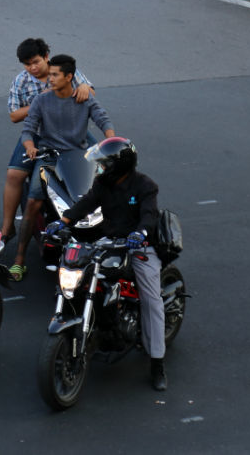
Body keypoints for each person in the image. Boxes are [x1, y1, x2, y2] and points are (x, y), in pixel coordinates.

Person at [56, 136, 167, 391]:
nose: (101, 168)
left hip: (140, 246)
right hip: (109, 241)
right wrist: (64, 221)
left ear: (119, 165)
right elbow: (85, 204)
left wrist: (140, 235)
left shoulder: (145, 185)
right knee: (81, 272)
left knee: (152, 300)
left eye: (104, 164)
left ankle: (157, 364)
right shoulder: (102, 183)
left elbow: (149, 216)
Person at [10, 54, 114, 281]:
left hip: (80, 157)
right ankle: (19, 259)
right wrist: (29, 146)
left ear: (69, 77)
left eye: (55, 75)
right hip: (49, 158)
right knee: (33, 200)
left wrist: (110, 142)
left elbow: (103, 120)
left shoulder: (84, 99)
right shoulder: (41, 101)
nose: (50, 78)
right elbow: (28, 129)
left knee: (109, 192)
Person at [0, 38, 93, 244]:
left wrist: (85, 88)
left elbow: (90, 93)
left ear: (46, 57)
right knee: (14, 174)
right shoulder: (21, 81)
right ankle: (6, 229)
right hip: (37, 133)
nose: (32, 68)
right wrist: (41, 100)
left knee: (100, 163)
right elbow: (14, 115)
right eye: (27, 64)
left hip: (72, 130)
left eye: (35, 62)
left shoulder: (65, 71)